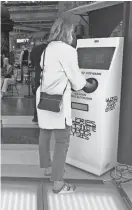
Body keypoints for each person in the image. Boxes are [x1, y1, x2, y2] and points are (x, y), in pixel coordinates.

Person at [36, 16, 96, 194]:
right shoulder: (68, 50)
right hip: (59, 103)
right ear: (68, 32)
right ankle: (58, 183)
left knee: (45, 133)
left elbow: (44, 68)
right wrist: (90, 85)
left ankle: (47, 168)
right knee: (62, 141)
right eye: (73, 31)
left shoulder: (47, 49)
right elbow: (77, 81)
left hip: (45, 99)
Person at [30, 35, 49, 123]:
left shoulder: (34, 49)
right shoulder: (50, 49)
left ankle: (36, 118)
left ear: (42, 39)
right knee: (50, 96)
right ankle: (47, 118)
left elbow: (32, 63)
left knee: (37, 96)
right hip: (49, 75)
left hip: (38, 75)